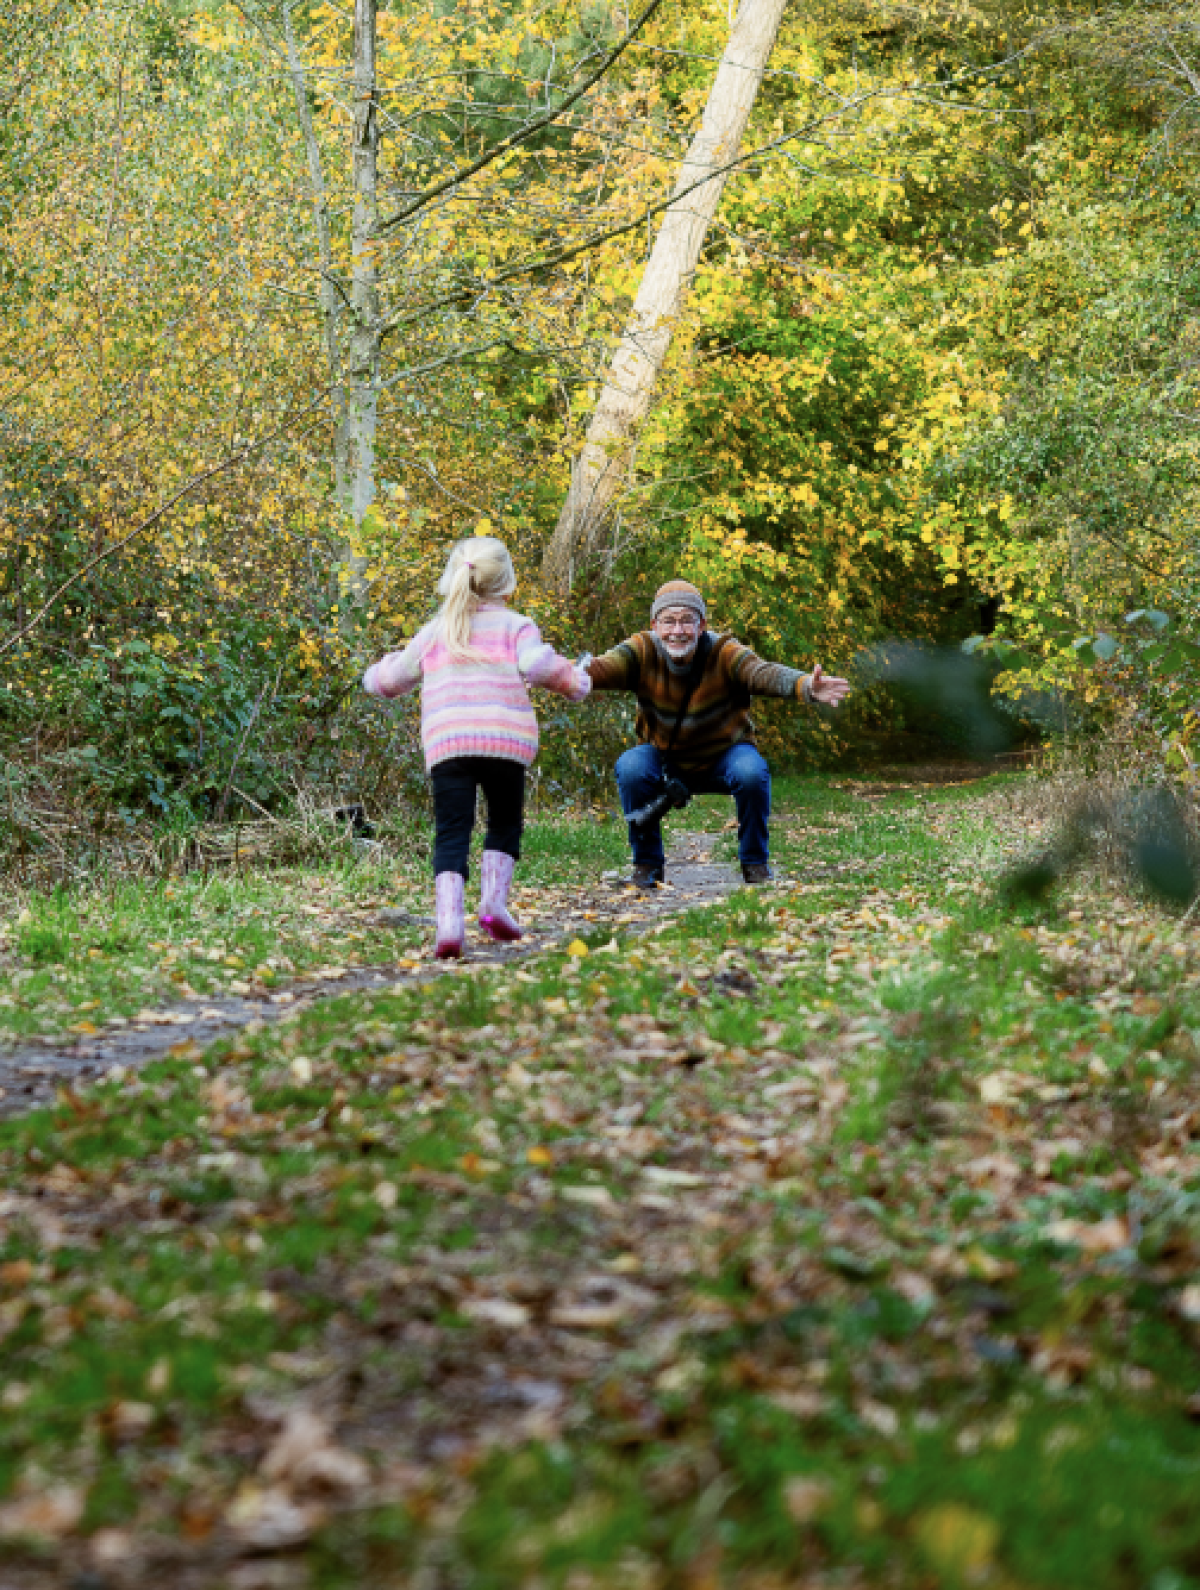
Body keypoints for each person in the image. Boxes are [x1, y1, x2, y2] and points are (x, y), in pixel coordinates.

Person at [363, 536, 591, 958]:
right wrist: (575, 680)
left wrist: (372, 675)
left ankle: (449, 924)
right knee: (504, 823)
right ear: (508, 584)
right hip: (504, 743)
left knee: (452, 832)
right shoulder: (515, 625)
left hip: (449, 746)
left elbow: (393, 680)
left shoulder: (436, 631)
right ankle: (493, 903)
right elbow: (538, 664)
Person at [586, 580, 850, 888]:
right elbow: (601, 669)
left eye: (687, 620)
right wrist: (556, 672)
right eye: (669, 621)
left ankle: (755, 864)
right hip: (665, 757)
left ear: (701, 625)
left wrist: (805, 685)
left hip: (724, 754)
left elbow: (762, 673)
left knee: (752, 773)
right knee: (631, 766)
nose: (678, 630)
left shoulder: (724, 651)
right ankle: (647, 867)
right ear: (655, 625)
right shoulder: (640, 650)